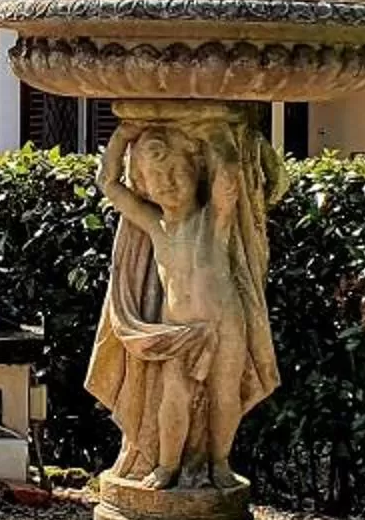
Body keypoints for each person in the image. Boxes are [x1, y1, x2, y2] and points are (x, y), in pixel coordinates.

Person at [86, 117, 282, 489]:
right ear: (143, 186)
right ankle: (167, 465)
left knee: (225, 395)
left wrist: (216, 134)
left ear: (196, 171)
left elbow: (228, 180)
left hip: (226, 323)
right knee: (173, 399)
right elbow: (108, 184)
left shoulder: (213, 220)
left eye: (176, 171)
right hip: (178, 330)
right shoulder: (155, 226)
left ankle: (219, 463)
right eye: (156, 178)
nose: (168, 183)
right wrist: (122, 136)